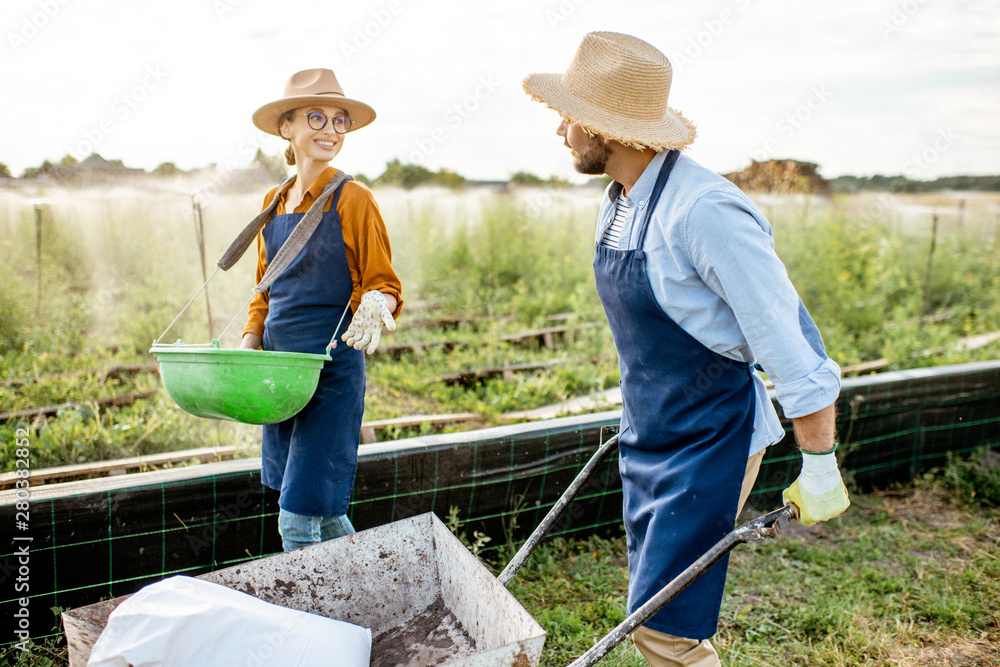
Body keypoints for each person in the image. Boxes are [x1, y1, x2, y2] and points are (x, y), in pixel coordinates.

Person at [523, 32, 850, 666]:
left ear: (605, 128)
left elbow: (789, 341)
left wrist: (820, 462)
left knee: (665, 627)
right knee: (655, 613)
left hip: (710, 437)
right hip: (654, 430)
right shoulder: (621, 202)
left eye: (570, 116)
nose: (561, 129)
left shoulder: (705, 211)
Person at [241, 68, 402, 552]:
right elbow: (263, 291)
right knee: (325, 514)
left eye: (340, 121)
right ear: (286, 127)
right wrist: (250, 344)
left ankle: (314, 625)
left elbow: (384, 284)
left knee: (297, 517)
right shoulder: (273, 201)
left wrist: (377, 303)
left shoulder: (354, 198)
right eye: (316, 117)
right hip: (280, 376)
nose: (331, 130)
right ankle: (378, 593)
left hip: (330, 374)